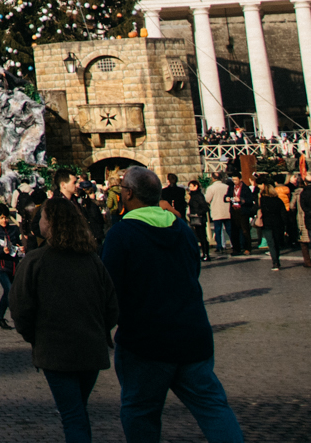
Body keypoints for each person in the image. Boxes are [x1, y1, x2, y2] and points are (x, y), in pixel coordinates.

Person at [100, 165, 246, 443]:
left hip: (145, 341)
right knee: (214, 409)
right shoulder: (181, 228)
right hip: (192, 333)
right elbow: (193, 272)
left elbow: (109, 289)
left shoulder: (121, 234)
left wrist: (106, 324)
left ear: (128, 193)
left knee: (141, 412)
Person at [12, 196, 117, 443]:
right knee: (78, 410)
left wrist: (34, 337)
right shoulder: (92, 260)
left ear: (51, 223)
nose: (40, 221)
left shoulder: (36, 261)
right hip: (90, 349)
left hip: (55, 351)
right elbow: (111, 306)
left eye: (44, 217)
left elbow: (20, 307)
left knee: (73, 414)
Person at [0, 205, 22, 329]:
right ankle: (18, 318)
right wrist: (3, 251)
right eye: (1, 218)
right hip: (0, 266)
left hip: (12, 265)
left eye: (6, 218)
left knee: (8, 292)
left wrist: (21, 247)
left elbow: (18, 243)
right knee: (10, 290)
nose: (4, 220)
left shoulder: (13, 230)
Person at [203, 174, 232, 257]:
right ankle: (233, 244)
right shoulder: (226, 186)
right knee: (229, 229)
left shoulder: (211, 188)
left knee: (218, 230)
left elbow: (207, 199)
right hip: (227, 211)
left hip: (217, 211)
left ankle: (220, 246)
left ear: (213, 179)